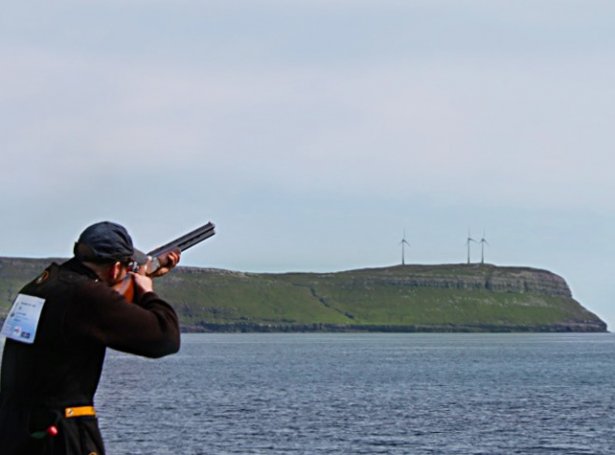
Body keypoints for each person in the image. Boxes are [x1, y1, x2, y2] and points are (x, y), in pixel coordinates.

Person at [0, 221, 181, 455]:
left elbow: (90, 320)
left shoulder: (41, 285)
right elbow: (165, 337)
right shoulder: (85, 296)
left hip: (16, 432)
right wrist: (146, 290)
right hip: (63, 436)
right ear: (116, 268)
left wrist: (132, 285)